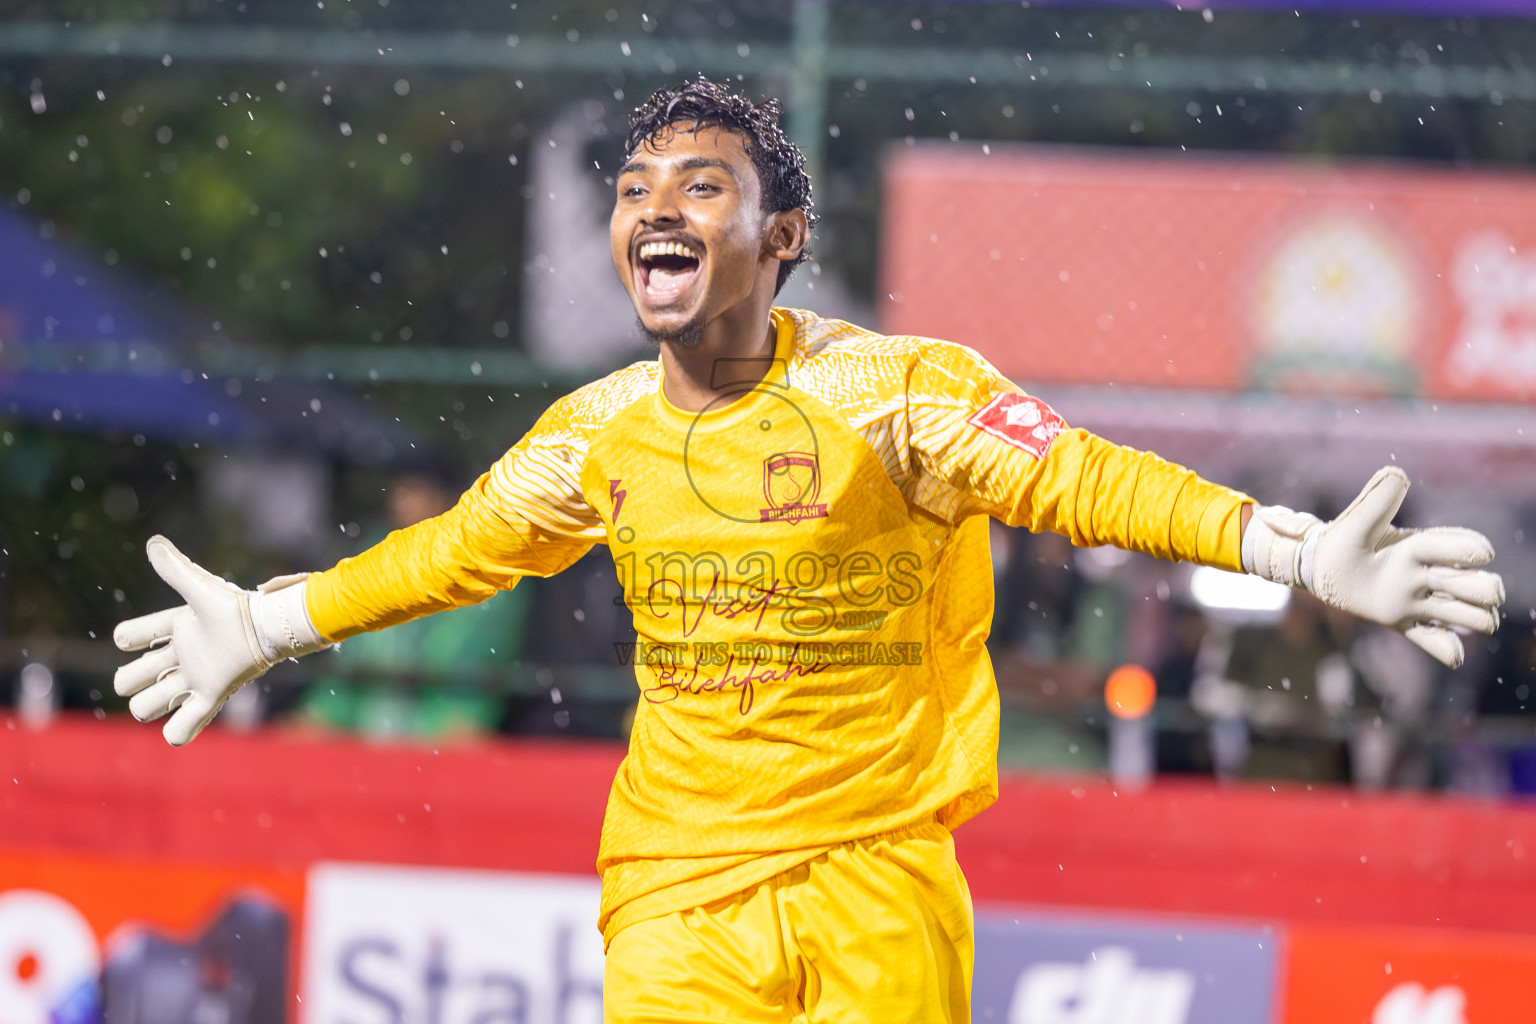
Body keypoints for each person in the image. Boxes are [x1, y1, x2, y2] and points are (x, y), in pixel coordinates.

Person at [110, 78, 1505, 1023]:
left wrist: (1290, 549)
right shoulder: (596, 433)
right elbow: (459, 552)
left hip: (879, 879)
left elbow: (1087, 483)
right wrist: (276, 622)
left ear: (779, 239)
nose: (655, 208)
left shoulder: (900, 395)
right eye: (636, 186)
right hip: (676, 890)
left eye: (699, 187)